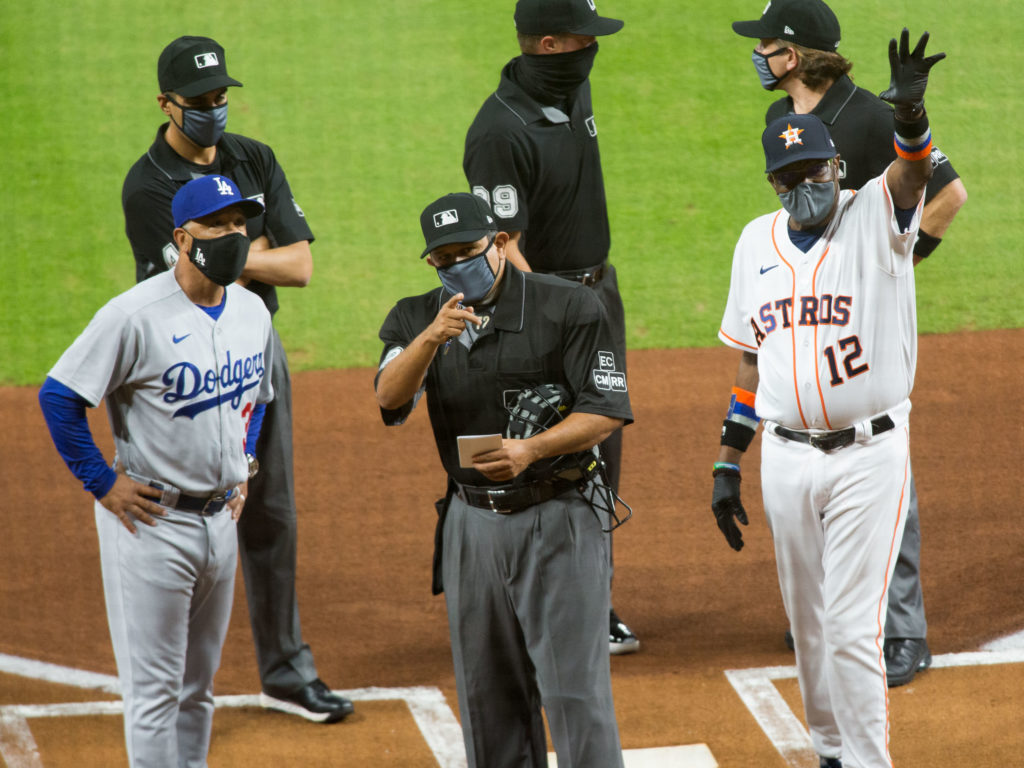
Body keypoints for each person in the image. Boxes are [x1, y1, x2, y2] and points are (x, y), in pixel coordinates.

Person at [709, 29, 945, 768]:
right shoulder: (755, 244)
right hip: (784, 461)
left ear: (838, 166)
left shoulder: (877, 214)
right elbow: (753, 359)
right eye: (789, 176)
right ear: (773, 182)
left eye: (815, 168)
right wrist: (728, 458)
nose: (803, 184)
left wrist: (910, 119)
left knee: (849, 630)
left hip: (869, 456)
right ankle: (830, 752)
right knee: (807, 628)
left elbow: (915, 178)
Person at [120, 36, 352, 723]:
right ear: (166, 104)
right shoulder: (148, 186)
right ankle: (176, 692)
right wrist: (250, 253)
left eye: (221, 96)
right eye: (199, 101)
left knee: (271, 512)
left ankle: (285, 672)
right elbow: (192, 282)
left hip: (257, 347)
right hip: (184, 362)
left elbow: (300, 266)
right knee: (188, 519)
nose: (213, 109)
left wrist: (226, 252)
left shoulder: (255, 157)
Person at [375, 192, 632, 767]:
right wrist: (430, 339)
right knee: (488, 694)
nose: (457, 266)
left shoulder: (568, 306)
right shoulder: (416, 317)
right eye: (443, 260)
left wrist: (530, 449)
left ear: (499, 244)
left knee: (574, 694)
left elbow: (607, 410)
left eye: (468, 251)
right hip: (472, 524)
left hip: (559, 513)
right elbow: (389, 400)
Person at [38, 175, 273, 767]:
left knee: (199, 689)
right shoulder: (134, 315)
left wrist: (244, 463)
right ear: (182, 237)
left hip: (221, 520)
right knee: (154, 695)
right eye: (218, 226)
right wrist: (102, 482)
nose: (233, 236)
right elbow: (60, 396)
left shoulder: (252, 312)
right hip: (151, 525)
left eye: (239, 224)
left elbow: (257, 399)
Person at [463, 0, 638, 654]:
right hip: (550, 309)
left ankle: (593, 601)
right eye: (582, 38)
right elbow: (504, 247)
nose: (593, 48)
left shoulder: (572, 84)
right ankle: (516, 601)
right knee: (544, 462)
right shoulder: (498, 134)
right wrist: (552, 322)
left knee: (602, 448)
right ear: (546, 43)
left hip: (598, 296)